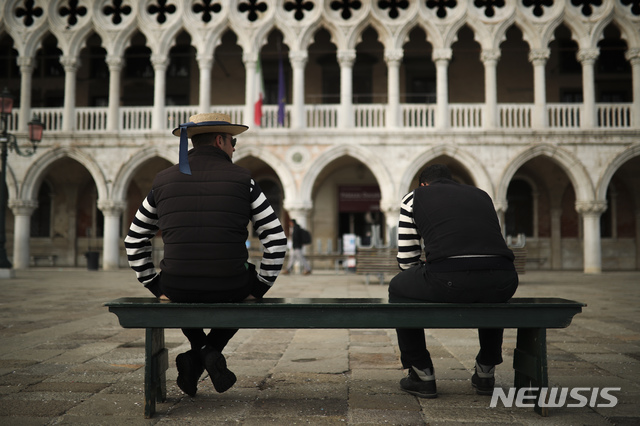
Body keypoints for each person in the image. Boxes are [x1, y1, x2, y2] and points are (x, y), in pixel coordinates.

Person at [124, 112, 287, 398]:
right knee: (241, 282)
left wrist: (155, 285)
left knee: (184, 277)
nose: (235, 147)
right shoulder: (243, 179)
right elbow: (275, 238)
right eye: (233, 141)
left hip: (176, 285)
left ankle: (198, 354)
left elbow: (134, 238)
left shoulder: (162, 180)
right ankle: (209, 351)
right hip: (231, 284)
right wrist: (260, 288)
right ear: (220, 140)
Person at [389, 164, 518, 399]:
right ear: (452, 181)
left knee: (398, 286)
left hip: (450, 279)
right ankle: (486, 368)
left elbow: (407, 261)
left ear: (423, 184)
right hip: (505, 279)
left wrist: (429, 276)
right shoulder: (482, 196)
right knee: (490, 290)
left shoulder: (414, 198)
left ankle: (420, 371)